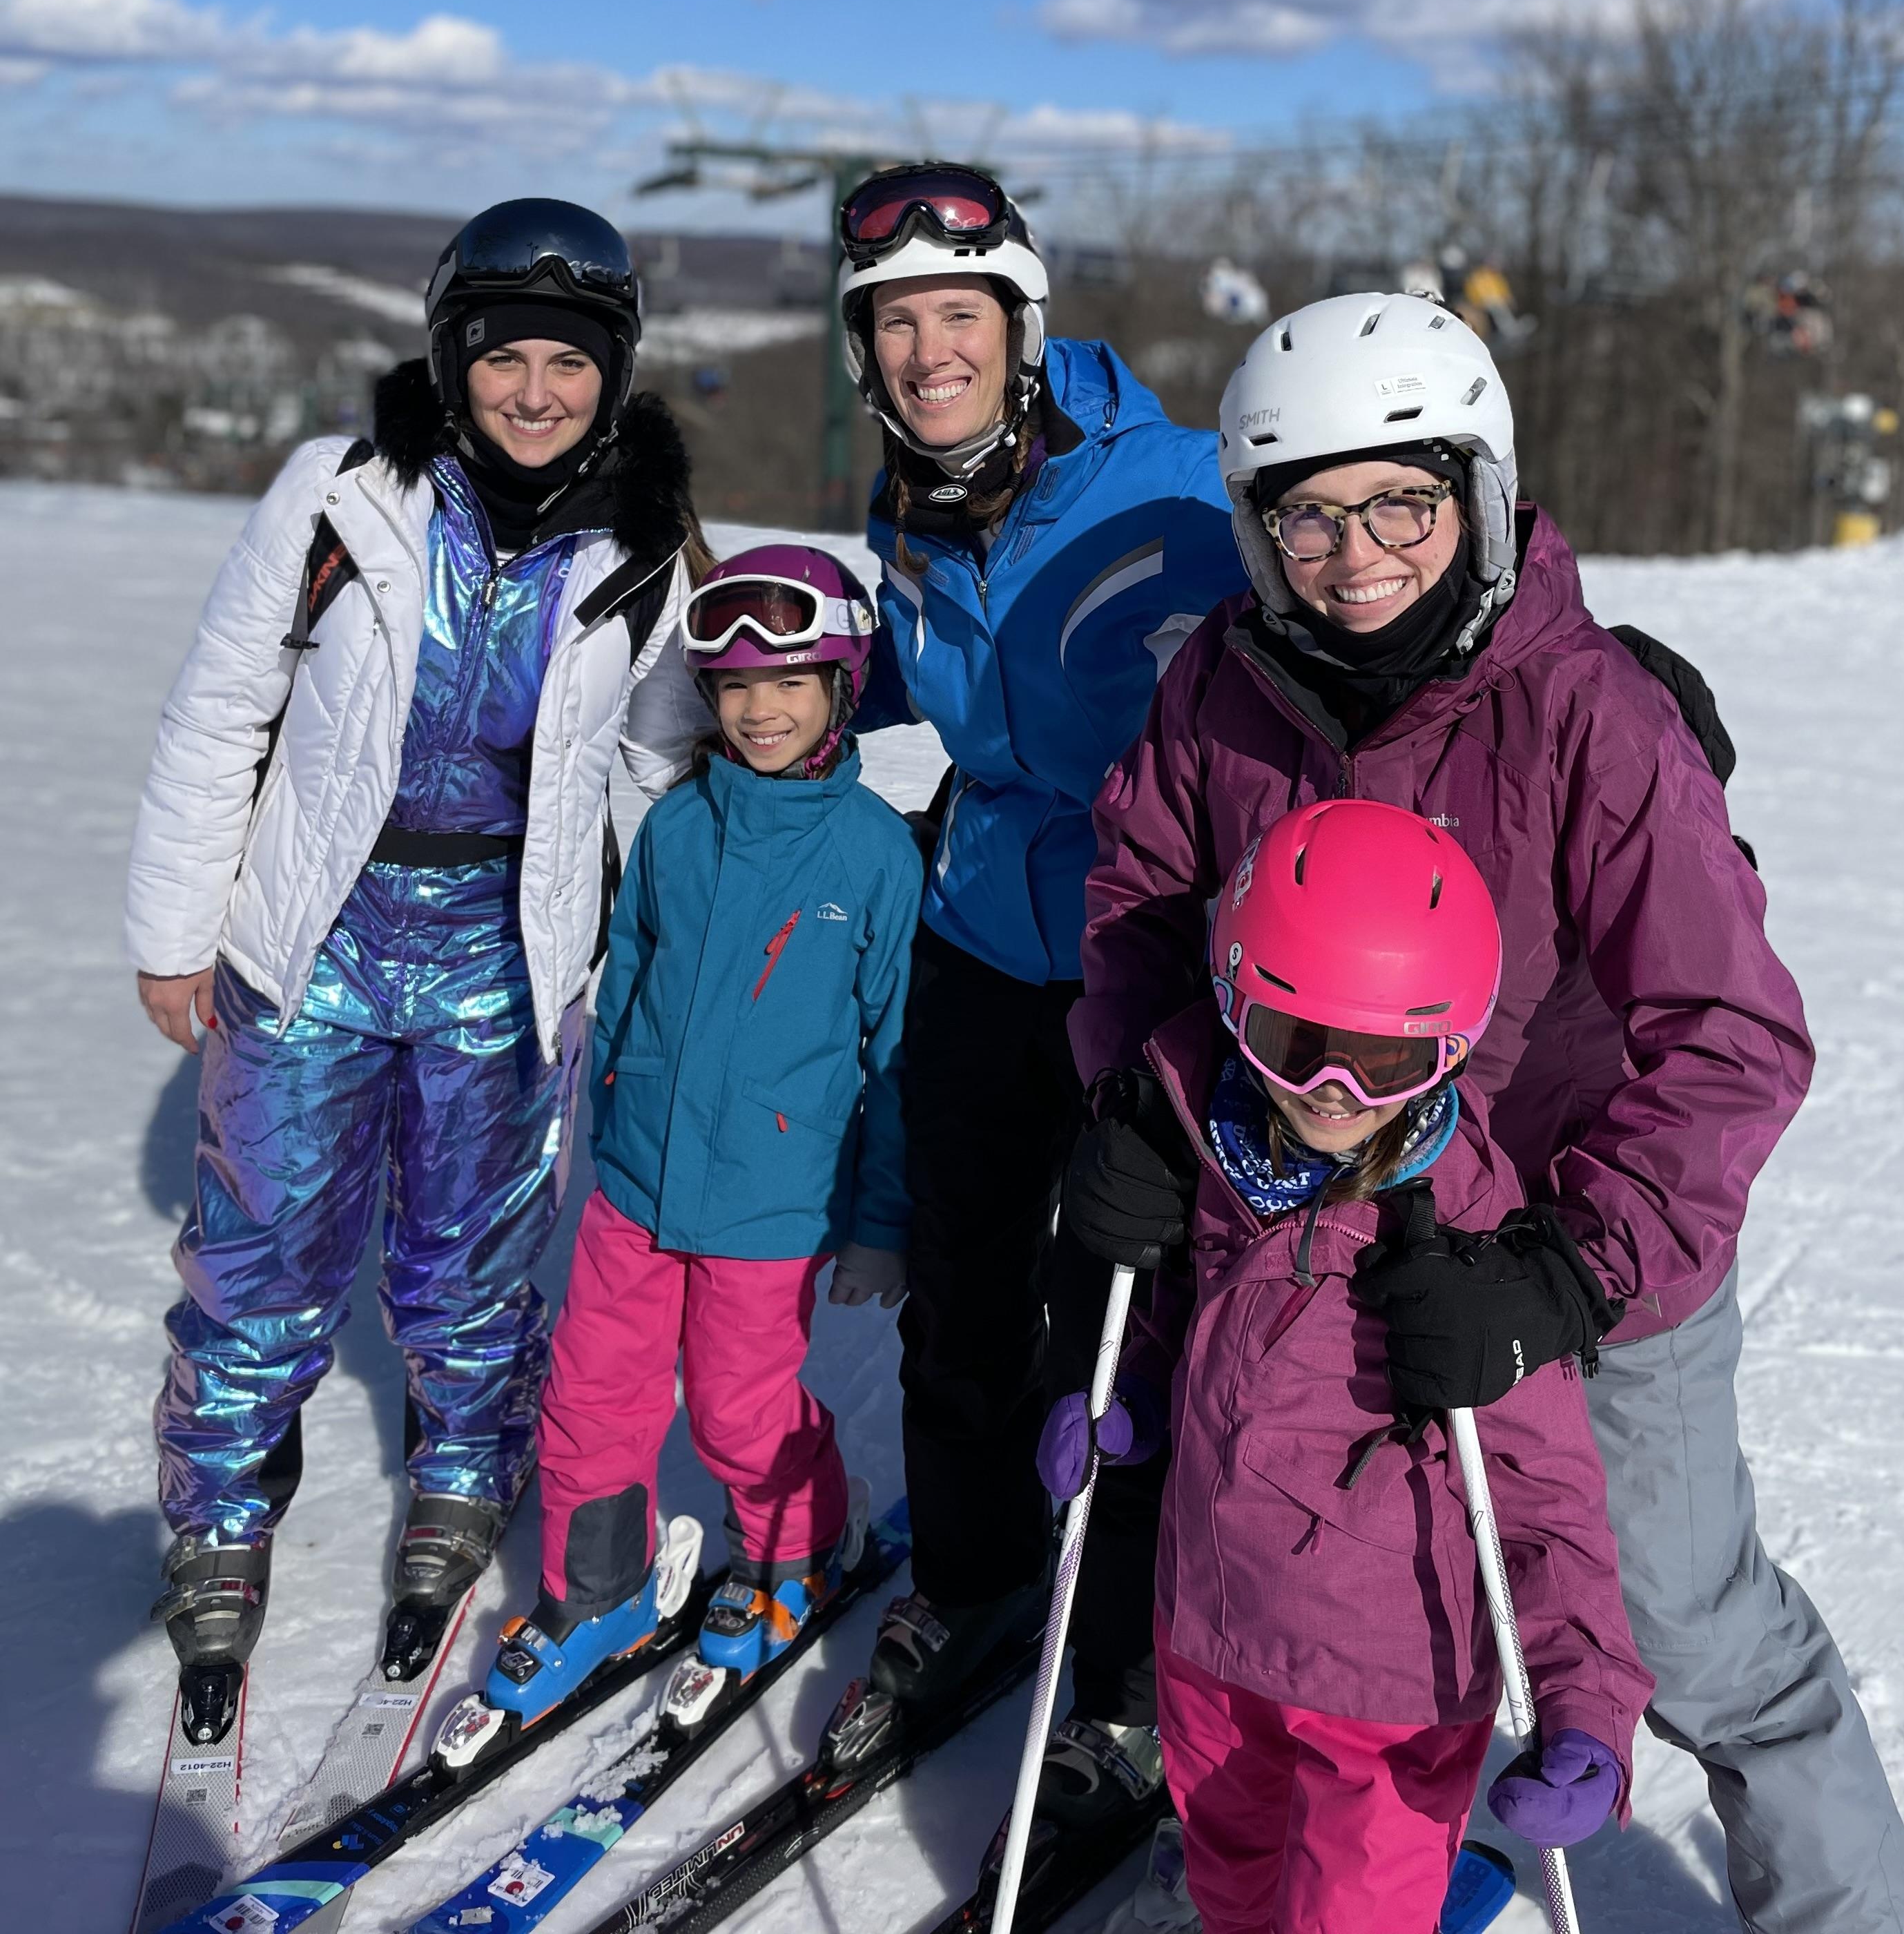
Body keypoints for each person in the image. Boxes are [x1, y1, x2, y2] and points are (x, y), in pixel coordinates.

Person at [1069, 288, 1904, 1934]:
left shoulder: (1589, 712)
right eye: (1307, 515)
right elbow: (1141, 909)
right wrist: (1143, 1111)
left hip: (1579, 1240)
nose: (1357, 553)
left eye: (1403, 500)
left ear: (1479, 491)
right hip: (1313, 1221)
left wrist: (1565, 1272)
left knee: (1673, 1622)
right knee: (1320, 1587)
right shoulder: (1223, 696)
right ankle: (1325, 1845)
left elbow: (1731, 1039)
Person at [127, 199, 704, 1731]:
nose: (534, 390)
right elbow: (221, 710)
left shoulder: (643, 550)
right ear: (450, 359)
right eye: (503, 356)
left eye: (568, 365)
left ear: (615, 372)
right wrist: (177, 930)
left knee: (470, 1254)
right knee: (261, 1243)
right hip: (315, 929)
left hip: (501, 960)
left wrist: (668, 945)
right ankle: (221, 1505)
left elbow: (670, 758)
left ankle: (459, 1473)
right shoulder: (342, 494)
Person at [1046, 797, 1651, 1934]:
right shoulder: (1210, 1150)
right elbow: (1185, 1328)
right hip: (1211, 1645)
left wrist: (1586, 1714)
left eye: (1383, 1060)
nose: (1333, 1089)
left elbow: (1546, 1502)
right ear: (1233, 1005)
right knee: (1230, 1891)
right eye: (1292, 1041)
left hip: (1391, 1695)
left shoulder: (1469, 1245)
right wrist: (1120, 1403)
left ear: (1451, 1042)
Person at [835, 161, 1245, 1827]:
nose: (930, 352)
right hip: (980, 936)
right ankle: (983, 1568)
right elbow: (917, 683)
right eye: (895, 324)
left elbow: (1317, 674)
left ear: (1021, 323)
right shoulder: (908, 504)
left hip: (1142, 960)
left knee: (1122, 1328)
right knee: (960, 1289)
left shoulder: (1175, 497)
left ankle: (1141, 1680)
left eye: (957, 315)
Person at [483, 544, 918, 1719]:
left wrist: (881, 1224)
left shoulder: (875, 855)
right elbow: (626, 984)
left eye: (789, 682)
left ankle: (800, 1546)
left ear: (841, 684)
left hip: (772, 1201)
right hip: (636, 1188)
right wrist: (606, 1123)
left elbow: (896, 1056)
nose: (759, 709)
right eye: (732, 685)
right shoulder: (678, 829)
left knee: (738, 1406)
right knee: (590, 1390)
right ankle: (599, 1588)